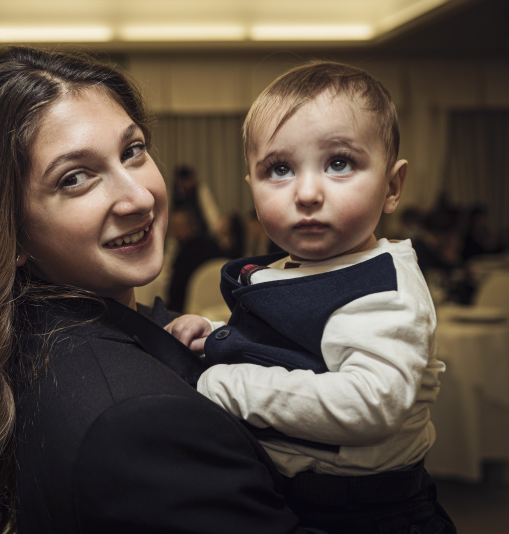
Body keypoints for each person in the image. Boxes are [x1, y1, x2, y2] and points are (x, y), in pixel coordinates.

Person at [0, 46, 322, 534]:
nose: (139, 198)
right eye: (75, 178)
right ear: (9, 233)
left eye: (132, 151)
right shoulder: (137, 420)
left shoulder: (23, 341)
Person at [165, 61, 456, 533]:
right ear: (253, 191)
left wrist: (229, 385)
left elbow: (369, 404)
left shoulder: (383, 286)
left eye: (339, 163)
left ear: (392, 186)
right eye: (279, 169)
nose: (306, 193)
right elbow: (295, 348)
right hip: (288, 490)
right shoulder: (294, 267)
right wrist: (216, 336)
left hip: (365, 512)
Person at [166, 207, 225, 312]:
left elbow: (175, 293)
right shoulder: (213, 244)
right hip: (221, 306)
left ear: (190, 226)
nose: (172, 231)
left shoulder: (186, 253)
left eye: (177, 226)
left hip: (186, 309)